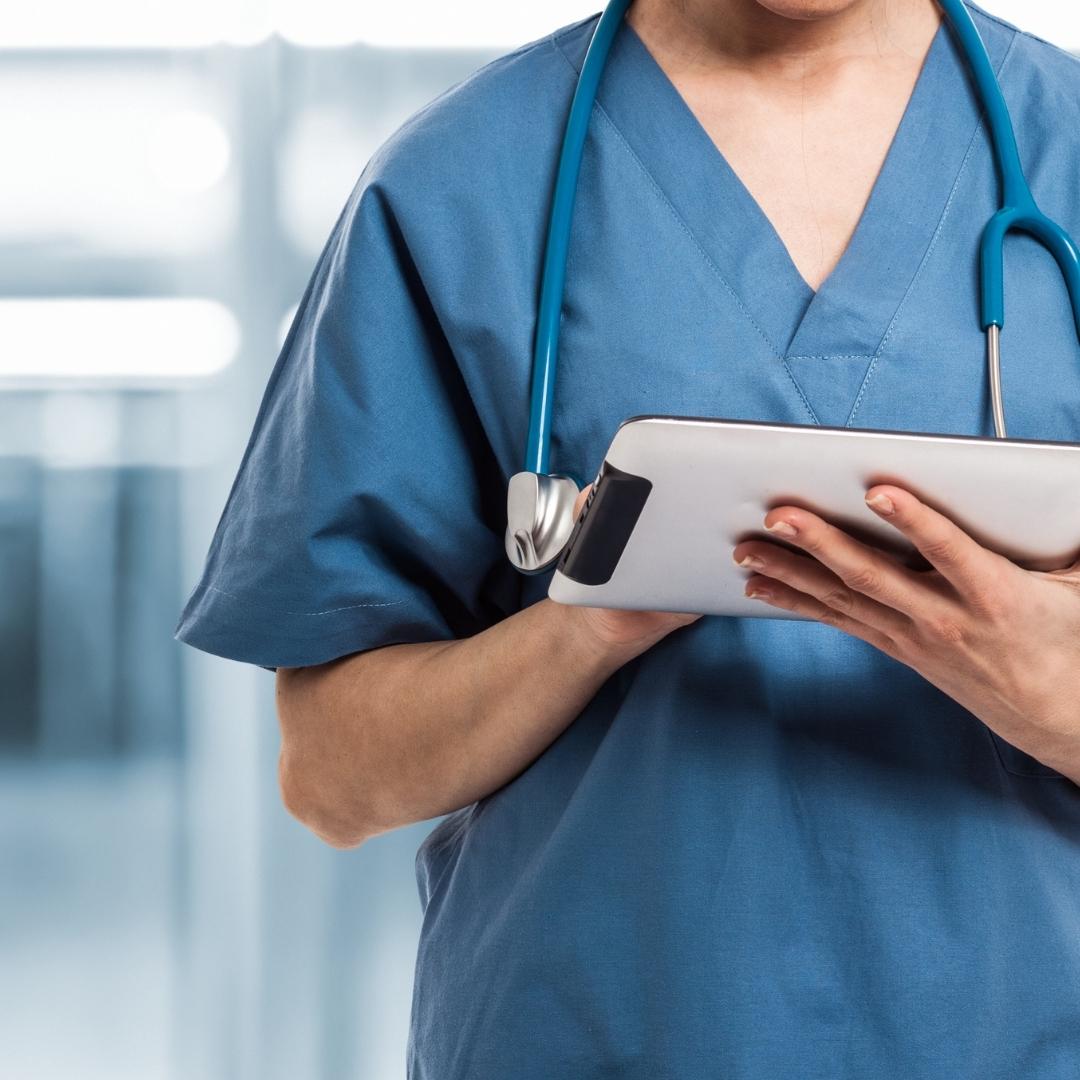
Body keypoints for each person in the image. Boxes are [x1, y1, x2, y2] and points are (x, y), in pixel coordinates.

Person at [176, 0, 1080, 1075]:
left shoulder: (1061, 141)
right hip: (590, 1038)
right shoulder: (463, 183)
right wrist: (595, 621)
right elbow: (333, 776)